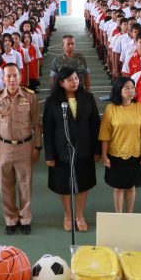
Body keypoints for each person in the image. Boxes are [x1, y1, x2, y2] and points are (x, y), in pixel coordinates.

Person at [43, 66, 101, 232]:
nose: (74, 82)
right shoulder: (52, 101)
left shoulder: (87, 97)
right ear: (61, 83)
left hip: (84, 150)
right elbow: (48, 129)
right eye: (70, 80)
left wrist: (97, 150)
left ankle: (79, 215)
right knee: (64, 185)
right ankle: (68, 215)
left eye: (76, 78)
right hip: (61, 151)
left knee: (83, 183)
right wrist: (49, 154)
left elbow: (96, 125)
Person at [0, 63, 41, 233]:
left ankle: (25, 218)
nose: (11, 79)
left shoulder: (30, 97)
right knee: (5, 186)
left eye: (14, 75)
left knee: (25, 185)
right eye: (8, 76)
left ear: (20, 77)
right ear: (3, 78)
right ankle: (10, 219)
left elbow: (37, 124)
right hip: (3, 146)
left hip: (25, 146)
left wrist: (37, 147)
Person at [99, 76, 141, 214]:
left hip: (135, 154)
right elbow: (105, 134)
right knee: (117, 188)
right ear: (119, 90)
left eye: (133, 87)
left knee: (130, 187)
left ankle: (129, 215)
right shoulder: (111, 109)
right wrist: (104, 156)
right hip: (115, 154)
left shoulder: (140, 108)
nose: (131, 90)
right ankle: (119, 215)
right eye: (127, 88)